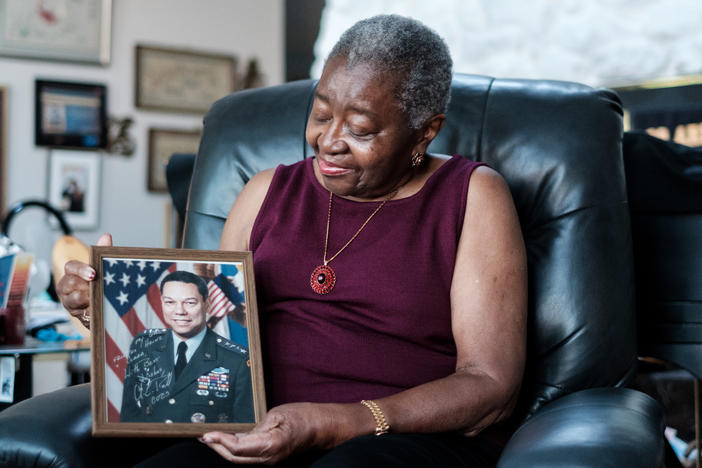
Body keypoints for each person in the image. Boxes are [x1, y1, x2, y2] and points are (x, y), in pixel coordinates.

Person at [58, 14, 527, 467]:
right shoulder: (264, 192)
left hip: (402, 439)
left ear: (425, 131)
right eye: (321, 114)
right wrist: (101, 311)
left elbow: (490, 384)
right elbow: (209, 339)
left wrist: (341, 422)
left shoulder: (472, 195)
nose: (329, 141)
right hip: (259, 430)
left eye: (360, 129)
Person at [119, 270, 254, 424]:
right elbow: (129, 415)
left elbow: (244, 427)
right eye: (170, 302)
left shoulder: (237, 359)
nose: (180, 311)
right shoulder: (143, 346)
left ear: (207, 304)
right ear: (162, 303)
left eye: (190, 303)